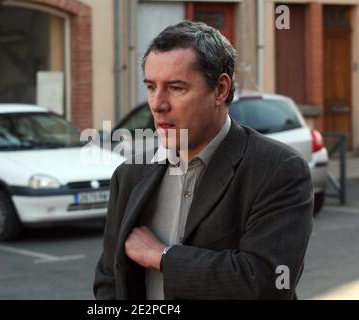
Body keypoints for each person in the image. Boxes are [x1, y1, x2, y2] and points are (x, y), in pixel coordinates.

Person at [94, 21, 313, 300]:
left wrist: (162, 256)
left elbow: (267, 281)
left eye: (175, 87)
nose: (158, 104)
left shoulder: (278, 170)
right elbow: (109, 280)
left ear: (220, 90)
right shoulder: (129, 175)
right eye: (151, 87)